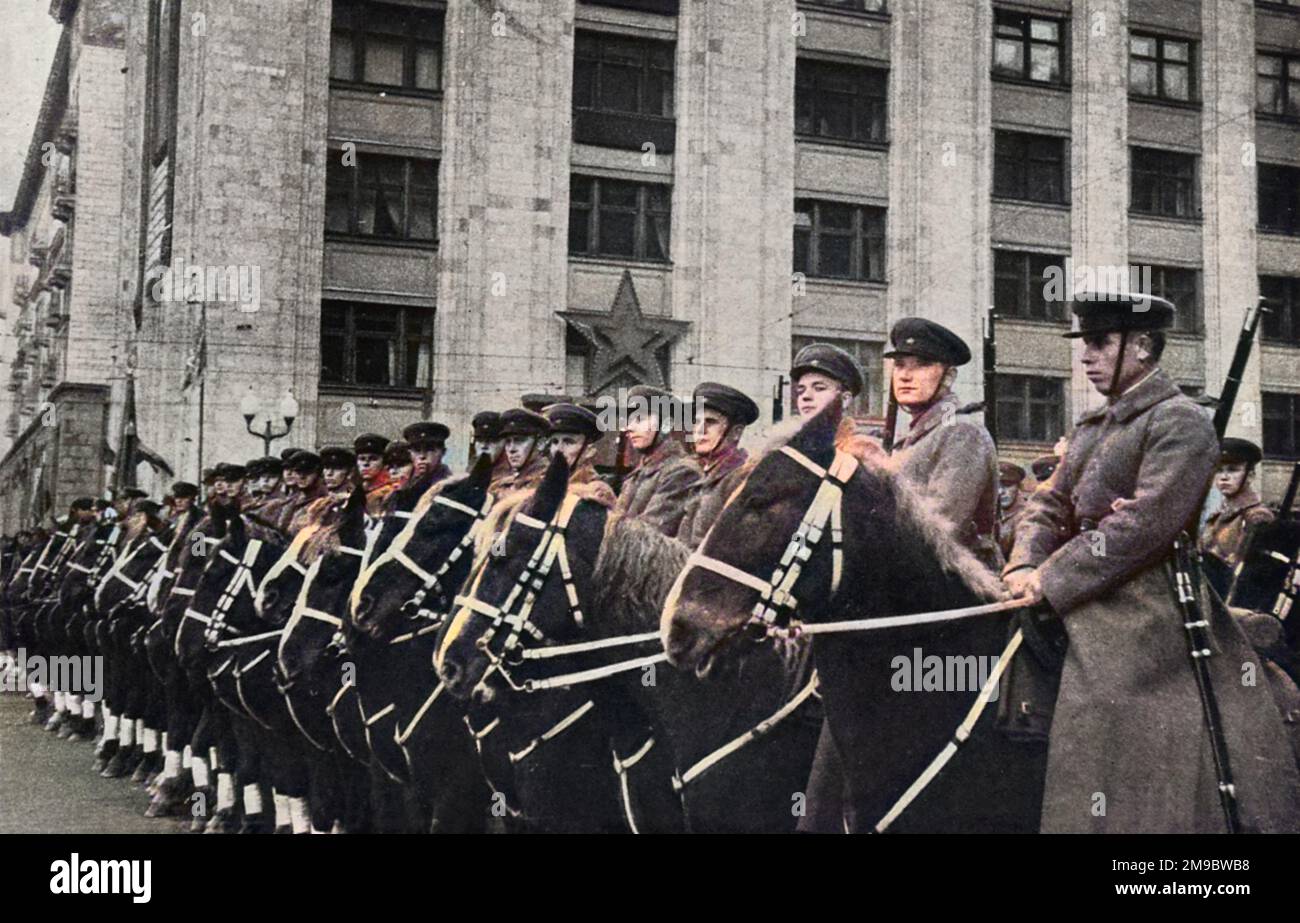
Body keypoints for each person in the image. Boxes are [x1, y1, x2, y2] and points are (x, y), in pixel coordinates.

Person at [1004, 291, 1300, 833]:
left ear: (1141, 346)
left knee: (1108, 697)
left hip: (1144, 603)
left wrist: (1051, 576)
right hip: (1076, 583)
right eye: (1085, 344)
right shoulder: (1096, 427)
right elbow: (1046, 503)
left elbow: (1142, 527)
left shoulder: (1180, 421)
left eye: (1099, 343)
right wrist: (1023, 565)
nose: (1086, 356)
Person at [886, 317, 1001, 570]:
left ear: (948, 376)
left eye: (922, 365)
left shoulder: (961, 432)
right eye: (900, 365)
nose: (905, 376)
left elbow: (943, 525)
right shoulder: (912, 438)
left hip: (958, 581)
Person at [677, 382, 759, 549]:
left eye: (711, 422)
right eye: (696, 421)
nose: (700, 430)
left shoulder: (741, 477)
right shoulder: (705, 472)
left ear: (736, 432)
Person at [613, 385, 700, 538]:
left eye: (639, 419)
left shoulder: (681, 472)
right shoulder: (639, 473)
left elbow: (647, 534)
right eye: (629, 421)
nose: (629, 428)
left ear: (666, 424)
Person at [1199, 437, 1274, 597]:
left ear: (1251, 475)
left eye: (1233, 469)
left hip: (1233, 605)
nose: (1224, 477)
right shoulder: (1217, 515)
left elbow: (1246, 578)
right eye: (1219, 470)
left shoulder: (1257, 517)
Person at [543, 403, 615, 506]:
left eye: (569, 442)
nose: (558, 450)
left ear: (589, 451)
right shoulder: (542, 481)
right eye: (554, 442)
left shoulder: (596, 492)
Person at [495, 408, 551, 494]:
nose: (511, 449)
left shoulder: (548, 483)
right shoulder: (504, 484)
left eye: (519, 440)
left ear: (540, 444)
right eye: (508, 442)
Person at [402, 421, 452, 488]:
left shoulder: (449, 486)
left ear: (442, 452)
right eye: (417, 450)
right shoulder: (406, 483)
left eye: (429, 449)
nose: (422, 456)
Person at [996, 461, 1028, 560]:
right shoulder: (990, 514)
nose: (1001, 492)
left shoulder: (1027, 516)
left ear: (1018, 487)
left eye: (1007, 485)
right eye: (997, 486)